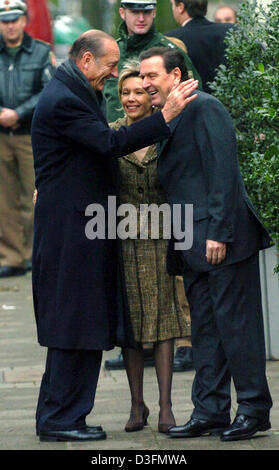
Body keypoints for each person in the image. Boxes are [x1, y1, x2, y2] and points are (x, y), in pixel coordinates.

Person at [31, 29, 198, 443]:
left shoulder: (69, 90)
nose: (111, 77)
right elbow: (108, 142)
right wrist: (165, 116)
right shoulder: (66, 99)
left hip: (78, 228)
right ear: (86, 60)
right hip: (72, 233)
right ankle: (60, 419)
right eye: (108, 68)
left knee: (79, 325)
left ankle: (64, 415)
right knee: (73, 327)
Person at [139, 46, 273, 442]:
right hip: (189, 242)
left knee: (238, 327)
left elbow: (223, 172)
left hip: (221, 239)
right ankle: (210, 410)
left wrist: (219, 231)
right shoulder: (170, 115)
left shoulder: (205, 107)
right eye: (142, 77)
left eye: (152, 76)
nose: (145, 84)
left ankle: (253, 409)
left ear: (175, 75)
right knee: (206, 333)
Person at [110, 64, 190, 433]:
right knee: (132, 326)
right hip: (122, 239)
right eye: (125, 93)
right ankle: (136, 405)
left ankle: (166, 407)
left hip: (163, 240)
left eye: (138, 92)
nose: (131, 98)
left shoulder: (167, 131)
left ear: (149, 95)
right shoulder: (110, 135)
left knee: (164, 322)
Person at [0, 0, 55, 278]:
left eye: (14, 19)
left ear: (23, 21)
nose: (10, 25)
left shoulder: (41, 52)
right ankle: (11, 257)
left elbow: (49, 92)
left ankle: (37, 253)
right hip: (0, 135)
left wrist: (18, 113)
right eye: (5, 20)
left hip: (29, 135)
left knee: (34, 195)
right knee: (4, 199)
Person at [104, 0, 201, 122]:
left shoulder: (170, 52)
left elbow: (193, 98)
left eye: (146, 12)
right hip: (113, 135)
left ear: (154, 12)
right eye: (134, 12)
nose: (141, 18)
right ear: (122, 13)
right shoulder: (112, 52)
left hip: (157, 136)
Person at [167, 0, 235, 93]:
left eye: (172, 5)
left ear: (180, 7)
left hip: (192, 102)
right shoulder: (231, 31)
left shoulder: (171, 40)